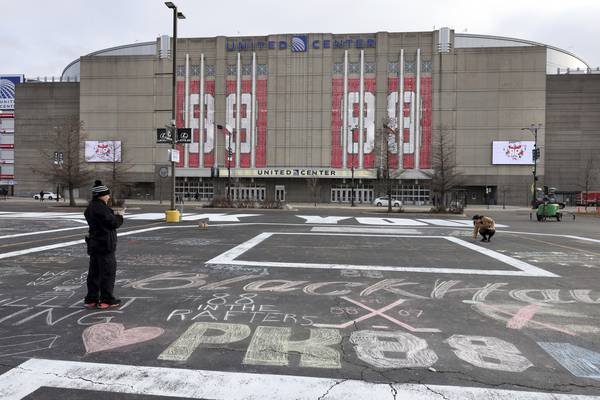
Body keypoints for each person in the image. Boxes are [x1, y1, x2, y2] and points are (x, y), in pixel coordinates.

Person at [83, 180, 125, 309]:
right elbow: (112, 223)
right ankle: (106, 299)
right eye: (107, 194)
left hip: (94, 243)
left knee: (94, 272)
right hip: (104, 244)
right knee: (107, 272)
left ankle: (91, 298)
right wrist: (120, 216)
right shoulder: (101, 208)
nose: (108, 196)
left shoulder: (90, 207)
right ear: (101, 195)